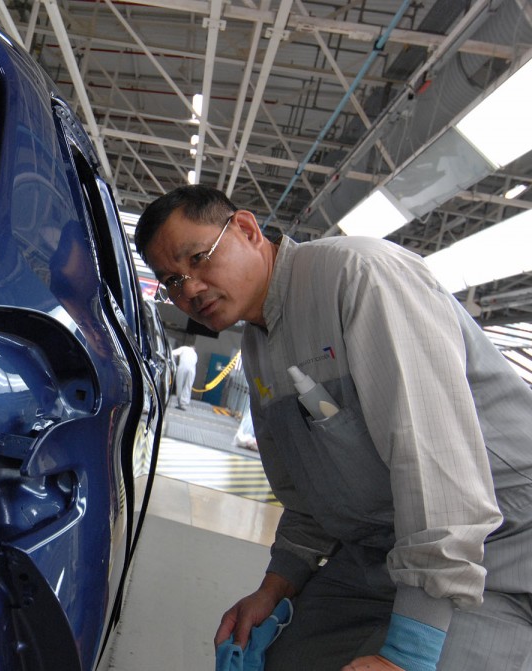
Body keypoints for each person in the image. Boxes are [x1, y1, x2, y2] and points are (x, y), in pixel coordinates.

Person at [134, 184, 532, 671]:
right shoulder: (259, 345)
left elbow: (436, 467)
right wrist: (275, 586)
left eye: (197, 258)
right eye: (171, 280)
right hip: (379, 554)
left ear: (245, 229)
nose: (189, 288)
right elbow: (311, 499)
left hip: (498, 550)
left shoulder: (360, 277)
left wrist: (409, 653)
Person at [171, 344, 198, 409]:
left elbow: (172, 353)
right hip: (192, 370)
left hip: (183, 367)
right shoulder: (195, 354)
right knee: (188, 386)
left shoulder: (184, 348)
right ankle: (183, 404)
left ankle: (179, 402)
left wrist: (172, 362)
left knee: (180, 384)